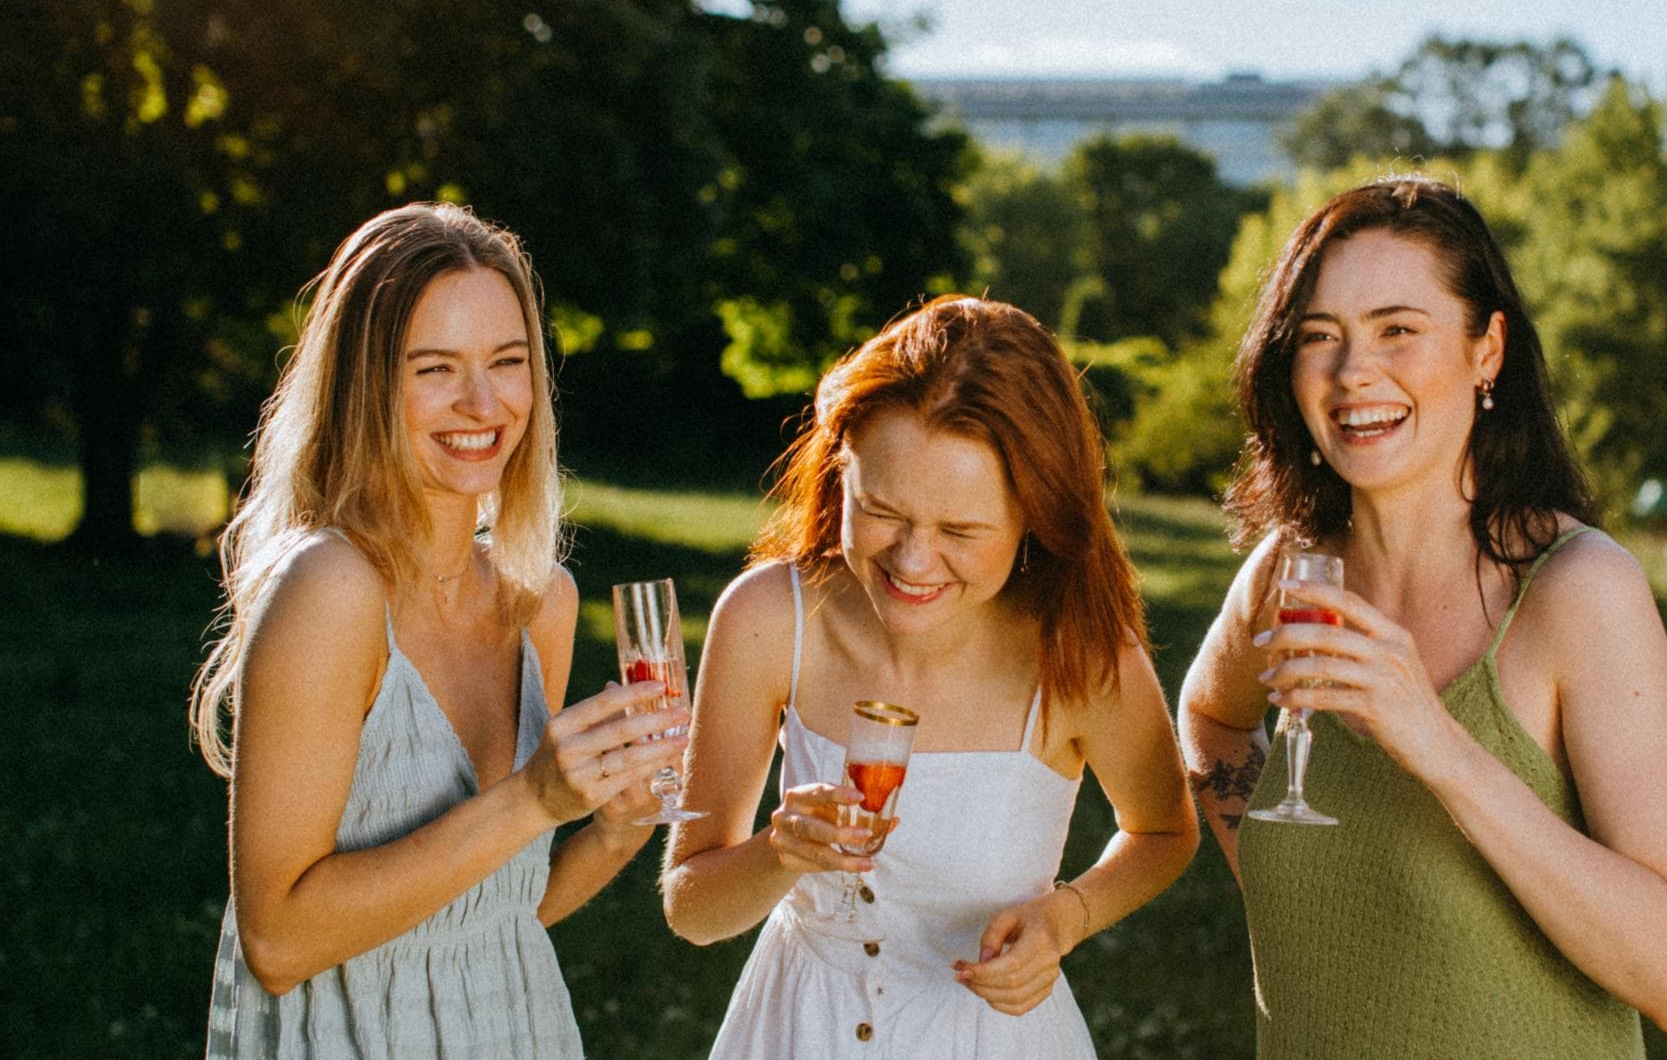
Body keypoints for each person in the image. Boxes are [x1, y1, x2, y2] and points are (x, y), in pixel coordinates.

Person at [1178, 176, 1667, 1058]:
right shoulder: (1292, 570)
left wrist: (1435, 743)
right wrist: (1279, 868)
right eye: (1320, 335)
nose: (1353, 372)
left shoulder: (1579, 590)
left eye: (1397, 329)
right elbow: (1210, 714)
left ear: (1486, 350)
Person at [188, 202, 687, 1058]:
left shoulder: (540, 603)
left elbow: (497, 914)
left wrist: (615, 827)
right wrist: (532, 799)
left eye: (508, 362)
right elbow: (277, 942)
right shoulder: (331, 591)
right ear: (366, 386)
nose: (483, 402)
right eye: (435, 369)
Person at [660, 295, 1198, 1058]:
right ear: (842, 473)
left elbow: (1165, 831)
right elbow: (691, 910)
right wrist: (780, 850)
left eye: (960, 531)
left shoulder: (1083, 660)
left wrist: (1065, 919)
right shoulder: (769, 618)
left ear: (1035, 515)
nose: (912, 561)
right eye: (883, 511)